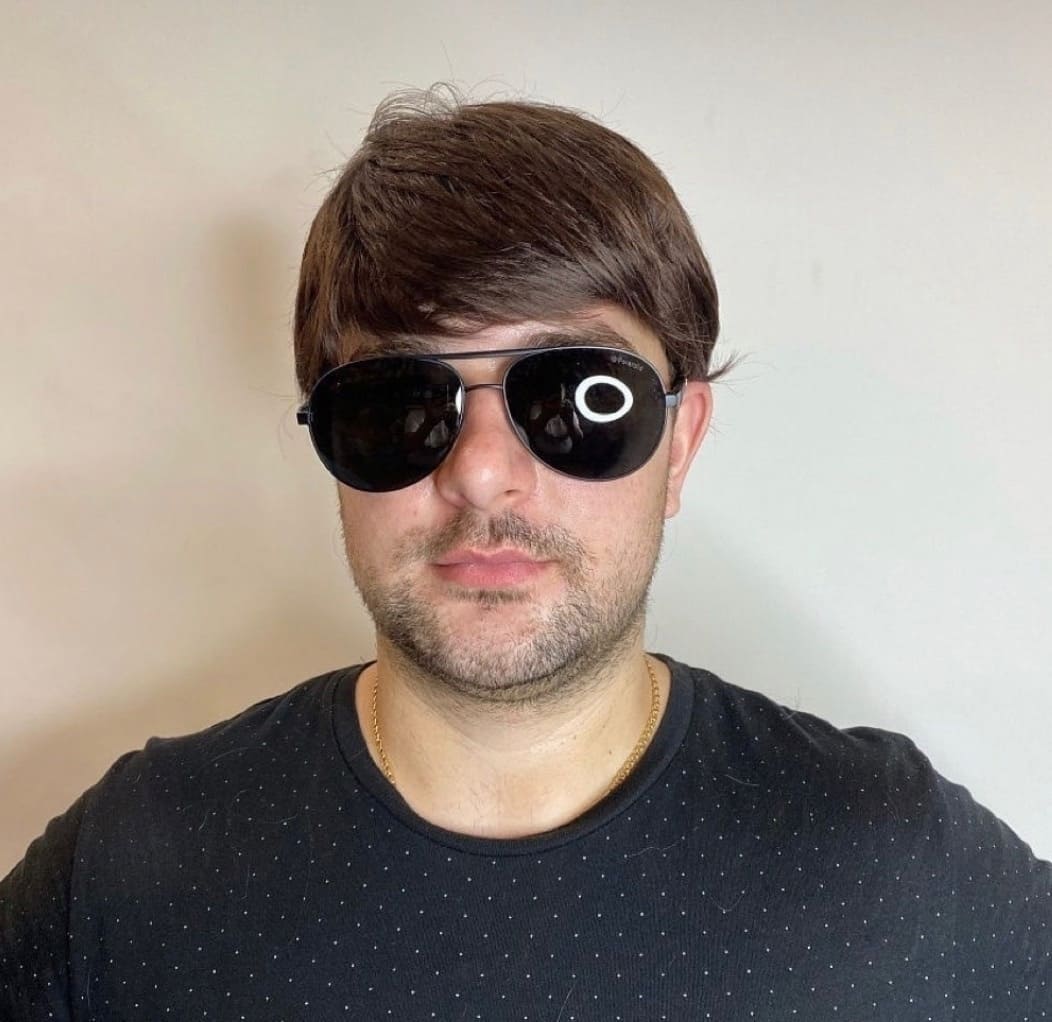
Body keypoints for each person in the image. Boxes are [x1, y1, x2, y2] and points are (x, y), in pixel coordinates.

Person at [2, 86, 1049, 1020]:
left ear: (680, 442)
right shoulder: (130, 875)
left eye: (575, 396)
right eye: (401, 402)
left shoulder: (891, 862)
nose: (482, 472)